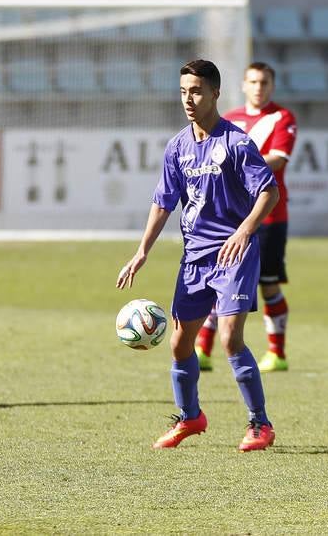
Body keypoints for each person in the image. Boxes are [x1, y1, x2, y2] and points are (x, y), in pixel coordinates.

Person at [116, 59, 280, 452]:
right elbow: (163, 202)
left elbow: (269, 191)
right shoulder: (178, 146)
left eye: (196, 91)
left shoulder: (236, 143)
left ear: (215, 93)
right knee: (178, 345)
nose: (188, 100)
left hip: (233, 253)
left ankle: (260, 424)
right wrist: (142, 252)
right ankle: (190, 417)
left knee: (229, 338)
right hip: (194, 257)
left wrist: (245, 230)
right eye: (183, 92)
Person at [194, 62, 298, 373]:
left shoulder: (282, 118)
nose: (258, 87)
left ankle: (277, 353)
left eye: (264, 82)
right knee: (219, 281)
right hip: (231, 218)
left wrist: (235, 163)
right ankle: (202, 349)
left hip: (269, 216)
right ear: (243, 85)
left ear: (271, 86)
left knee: (268, 284)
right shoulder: (230, 119)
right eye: (252, 81)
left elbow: (278, 161)